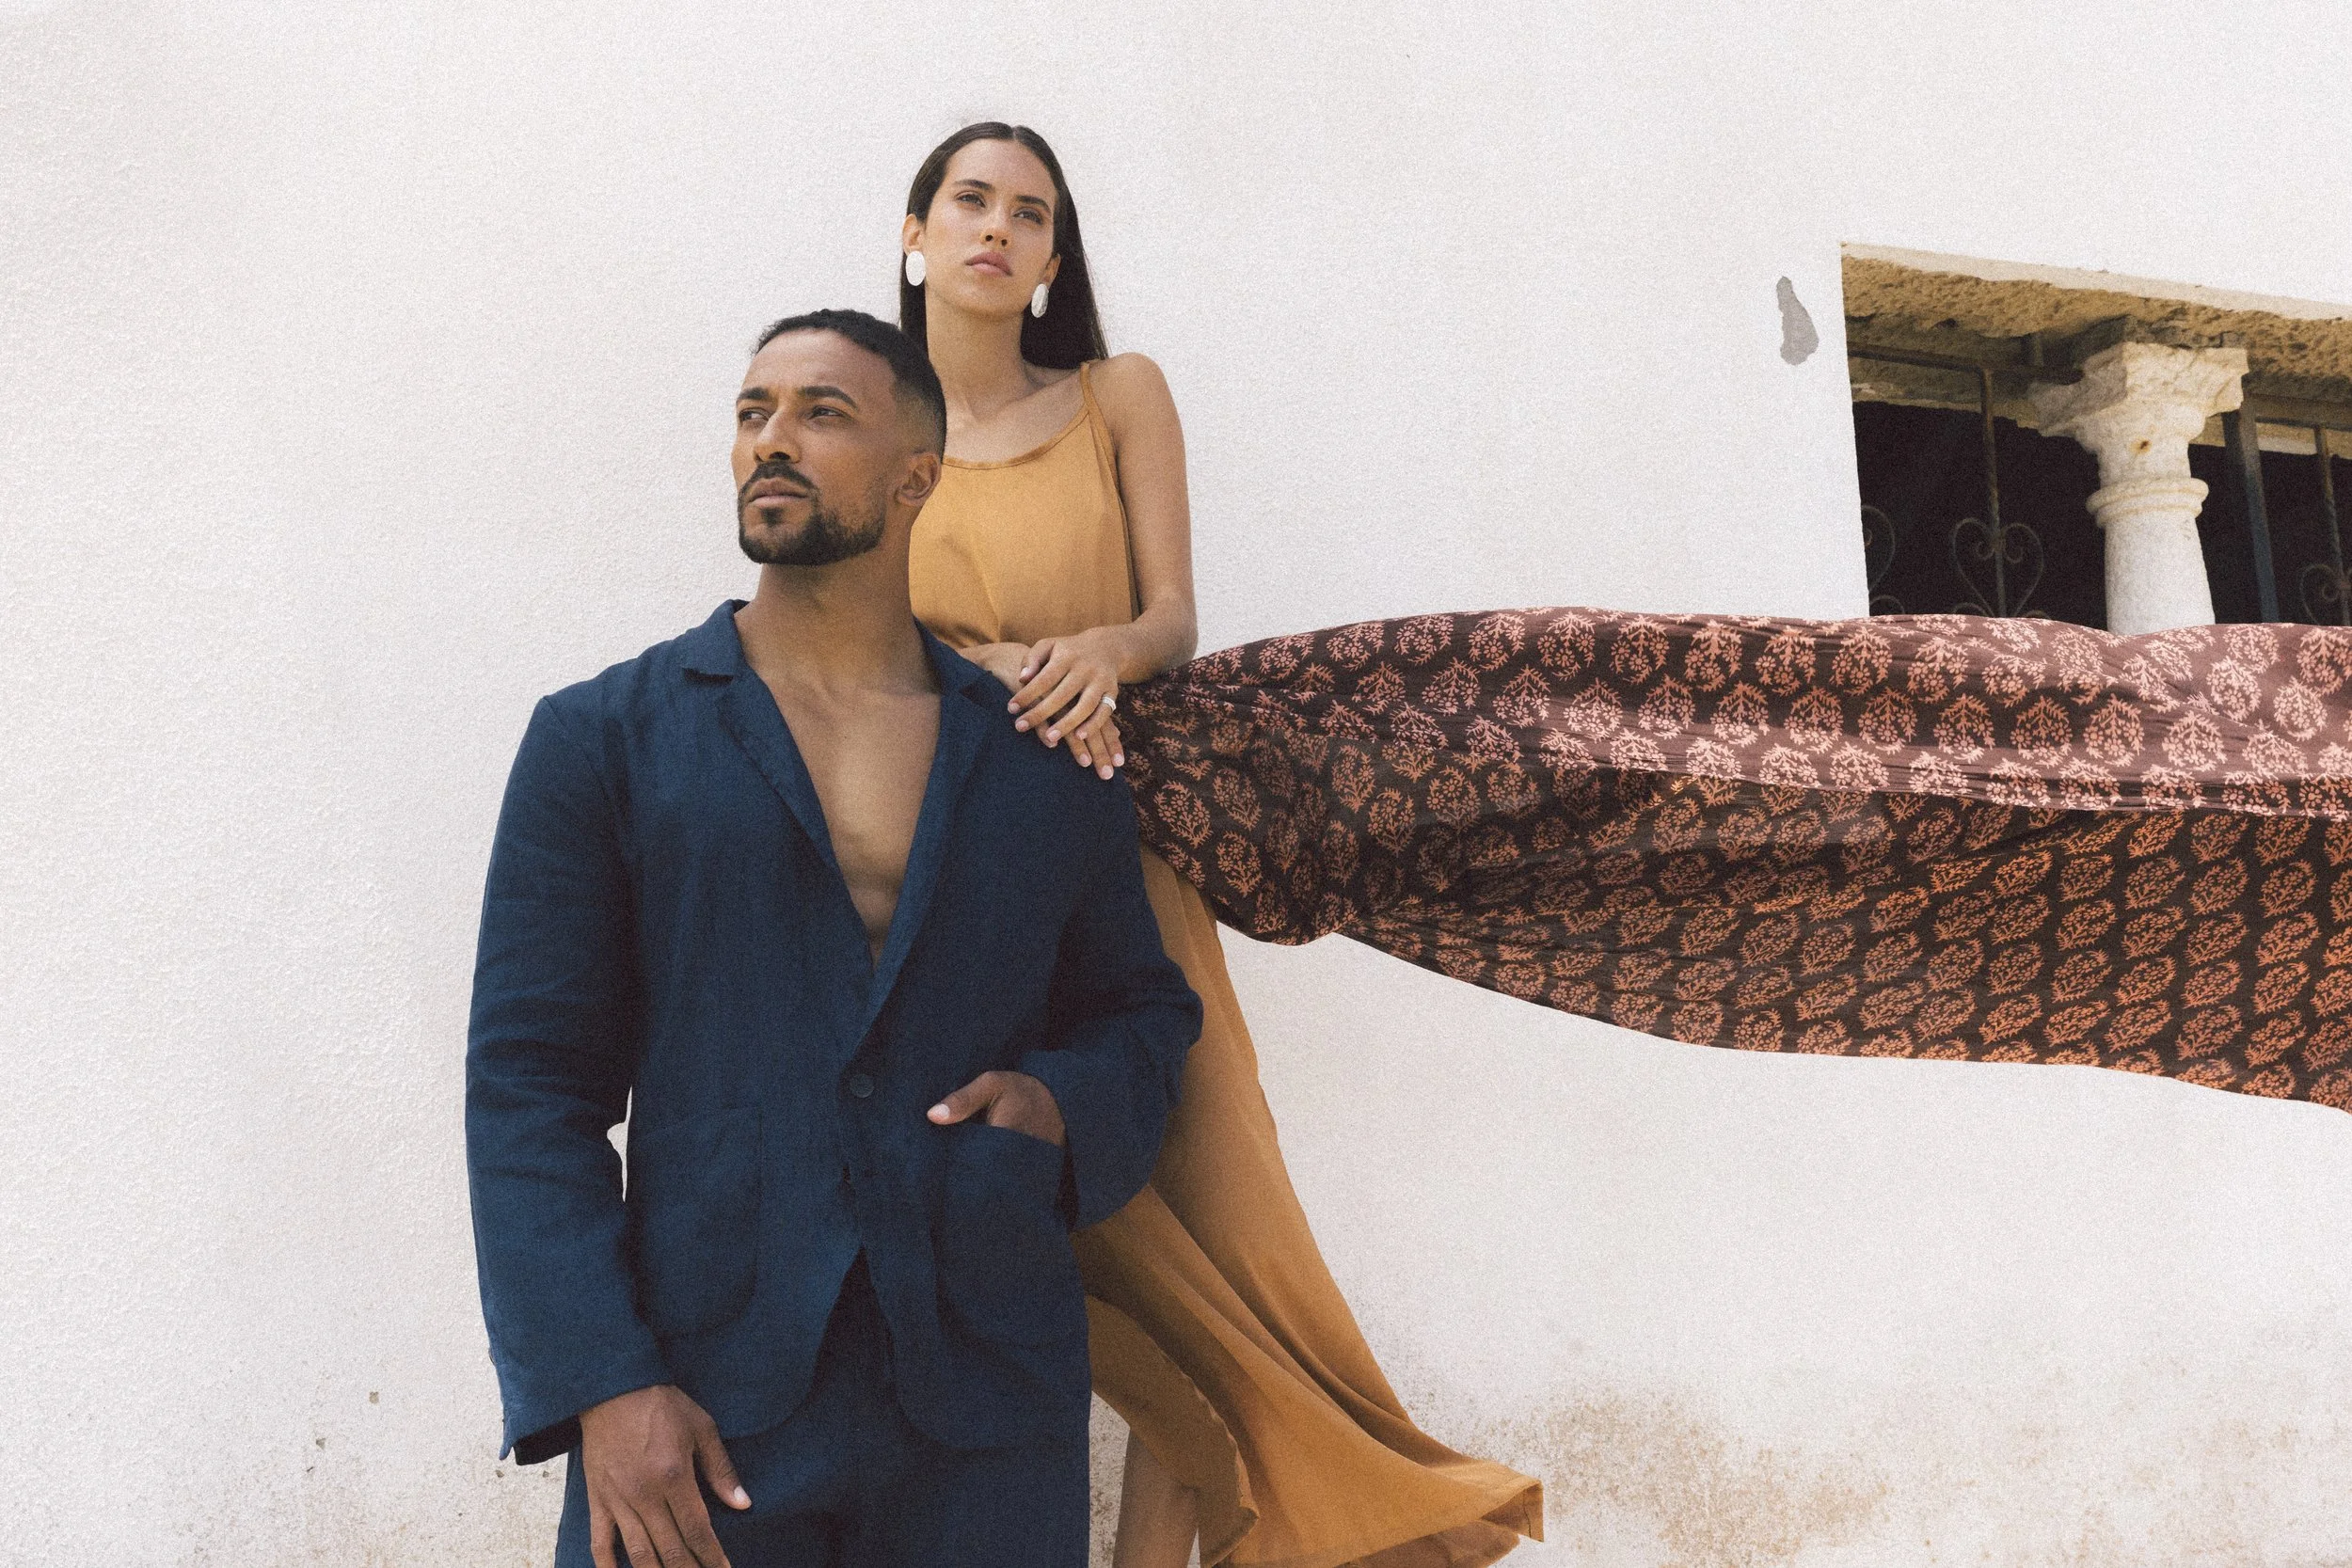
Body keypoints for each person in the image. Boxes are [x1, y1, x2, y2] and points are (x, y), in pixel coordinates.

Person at [896, 123, 1545, 1568]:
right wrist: (987, 668)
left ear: (1055, 260)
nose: (997, 228)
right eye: (969, 201)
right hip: (953, 890)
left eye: (1030, 212)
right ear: (916, 236)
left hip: (1131, 871)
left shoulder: (1118, 393)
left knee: (1225, 1257)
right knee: (1070, 1251)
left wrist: (1093, 653)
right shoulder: (877, 429)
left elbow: (1174, 616)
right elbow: (868, 654)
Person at [465, 307, 1202, 1568]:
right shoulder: (605, 739)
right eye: (754, 413)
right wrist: (602, 1383)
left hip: (983, 1405)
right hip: (697, 1414)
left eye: (822, 413)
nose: (773, 441)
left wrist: (1061, 1108)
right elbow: (531, 1087)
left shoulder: (1041, 758)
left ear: (919, 478)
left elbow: (1141, 1011)